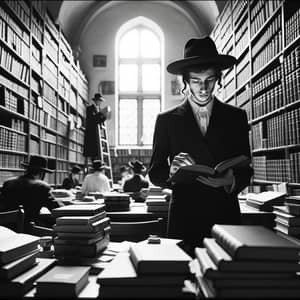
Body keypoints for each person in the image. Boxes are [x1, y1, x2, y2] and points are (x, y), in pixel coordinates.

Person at [148, 36, 253, 256]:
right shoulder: (166, 120)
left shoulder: (236, 117)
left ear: (219, 79)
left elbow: (246, 167)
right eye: (196, 80)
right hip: (186, 217)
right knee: (184, 281)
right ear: (185, 81)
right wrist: (172, 172)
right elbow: (155, 172)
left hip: (225, 216)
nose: (203, 87)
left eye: (209, 80)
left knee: (226, 283)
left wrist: (231, 180)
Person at [0, 155, 59, 231]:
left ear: (27, 169)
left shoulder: (8, 183)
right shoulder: (42, 186)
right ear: (42, 173)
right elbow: (56, 210)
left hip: (5, 229)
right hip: (28, 229)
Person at [83, 92, 108, 159]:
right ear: (96, 101)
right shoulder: (90, 109)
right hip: (91, 133)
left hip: (97, 134)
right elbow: (93, 120)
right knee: (92, 152)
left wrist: (105, 117)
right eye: (99, 101)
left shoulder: (99, 110)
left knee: (97, 152)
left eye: (101, 101)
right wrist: (101, 114)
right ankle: (95, 165)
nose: (100, 103)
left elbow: (99, 121)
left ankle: (97, 165)